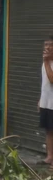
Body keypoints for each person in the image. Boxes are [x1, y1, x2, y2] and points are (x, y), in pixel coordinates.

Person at [39, 37, 53, 165]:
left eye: (50, 45)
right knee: (48, 130)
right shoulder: (45, 62)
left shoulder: (47, 62)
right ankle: (49, 157)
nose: (47, 47)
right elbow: (44, 83)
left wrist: (47, 62)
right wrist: (40, 100)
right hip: (46, 102)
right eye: (46, 44)